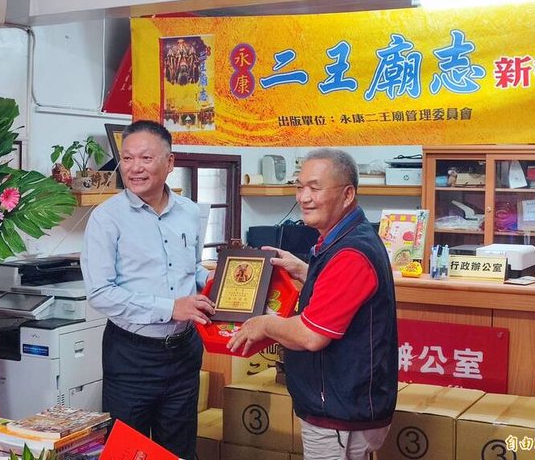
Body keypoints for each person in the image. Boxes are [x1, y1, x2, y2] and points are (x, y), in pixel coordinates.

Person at [228, 148, 398, 460]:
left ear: (347, 195)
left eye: (315, 188)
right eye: (299, 186)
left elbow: (311, 335)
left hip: (339, 410)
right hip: (342, 403)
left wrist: (264, 324)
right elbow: (341, 294)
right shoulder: (344, 237)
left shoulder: (350, 253)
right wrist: (304, 270)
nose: (304, 198)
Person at [80, 119, 215, 460]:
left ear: (170, 162)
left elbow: (192, 269)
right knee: (127, 452)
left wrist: (219, 286)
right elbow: (100, 292)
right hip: (132, 356)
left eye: (145, 158)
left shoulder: (189, 212)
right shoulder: (106, 218)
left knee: (179, 451)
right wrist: (170, 308)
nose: (134, 168)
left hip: (184, 352)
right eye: (127, 158)